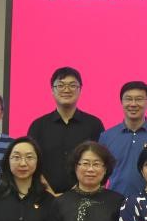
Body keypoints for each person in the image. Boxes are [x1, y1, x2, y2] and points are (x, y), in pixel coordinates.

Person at [27, 66, 106, 194]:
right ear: (52, 90)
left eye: (72, 85)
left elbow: (102, 162)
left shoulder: (94, 124)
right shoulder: (38, 126)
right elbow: (30, 162)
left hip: (85, 196)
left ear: (80, 89)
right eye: (61, 85)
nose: (66, 89)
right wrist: (50, 193)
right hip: (45, 197)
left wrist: (78, 193)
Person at [99, 81, 147, 199]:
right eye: (128, 99)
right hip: (115, 202)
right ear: (121, 102)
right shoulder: (107, 136)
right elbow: (100, 174)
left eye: (139, 99)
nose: (133, 104)